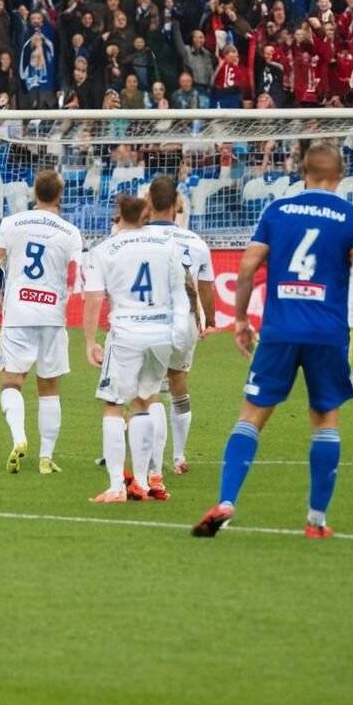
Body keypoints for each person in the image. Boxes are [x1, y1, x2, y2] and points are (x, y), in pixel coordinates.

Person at [192, 142, 353, 540]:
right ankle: (316, 520)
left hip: (279, 331)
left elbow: (246, 269)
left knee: (251, 417)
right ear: (341, 175)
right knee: (325, 420)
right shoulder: (350, 215)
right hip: (328, 333)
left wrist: (242, 318)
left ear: (302, 172)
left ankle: (227, 500)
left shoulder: (277, 210)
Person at [82, 194, 190, 503]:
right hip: (160, 332)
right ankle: (141, 481)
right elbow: (179, 291)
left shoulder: (104, 250)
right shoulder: (166, 244)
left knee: (114, 404)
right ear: (145, 213)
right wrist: (178, 329)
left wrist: (90, 339)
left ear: (119, 214)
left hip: (127, 332)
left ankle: (117, 485)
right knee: (145, 402)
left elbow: (94, 297)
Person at [0, 169, 83, 475]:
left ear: (34, 192)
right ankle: (45, 458)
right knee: (49, 388)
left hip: (18, 313)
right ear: (60, 194)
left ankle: (19, 437)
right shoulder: (70, 232)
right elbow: (75, 275)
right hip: (52, 316)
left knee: (11, 382)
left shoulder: (12, 223)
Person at [143, 176, 216, 488]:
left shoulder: (133, 237)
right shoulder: (196, 243)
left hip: (146, 320)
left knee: (147, 391)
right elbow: (205, 287)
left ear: (148, 203)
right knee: (178, 383)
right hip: (184, 320)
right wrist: (209, 318)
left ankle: (150, 461)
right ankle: (179, 456)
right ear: (177, 205)